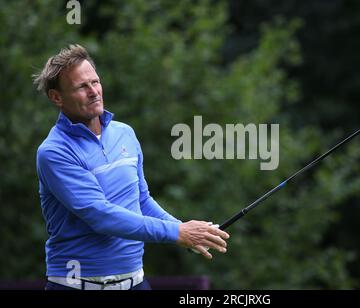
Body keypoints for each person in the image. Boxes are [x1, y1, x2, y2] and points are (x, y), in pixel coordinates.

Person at [33, 44, 230, 290]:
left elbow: (141, 200)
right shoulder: (54, 152)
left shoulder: (124, 133)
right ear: (57, 97)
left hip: (135, 283)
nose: (94, 92)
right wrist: (177, 232)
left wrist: (184, 231)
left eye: (95, 82)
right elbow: (101, 216)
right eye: (82, 87)